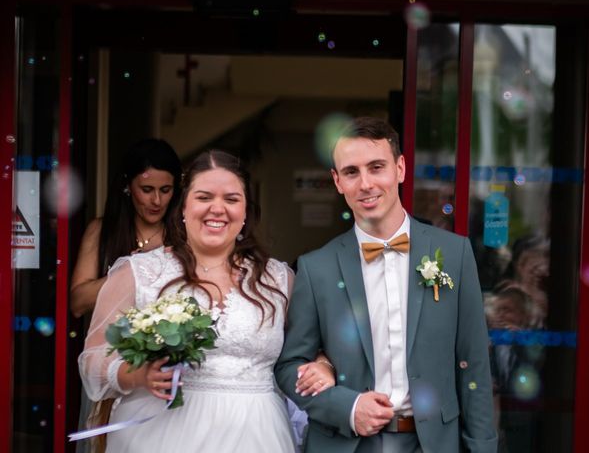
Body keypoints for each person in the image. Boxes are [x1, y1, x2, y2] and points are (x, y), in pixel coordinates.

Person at [78, 149, 334, 452]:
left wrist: (323, 366)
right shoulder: (141, 272)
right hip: (161, 434)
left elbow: (309, 349)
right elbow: (93, 360)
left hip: (257, 433)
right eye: (204, 197)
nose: (218, 208)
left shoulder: (277, 279)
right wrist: (140, 375)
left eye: (231, 199)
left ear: (246, 211)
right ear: (183, 207)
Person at [276, 117, 498, 452]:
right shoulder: (315, 267)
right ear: (337, 181)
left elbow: (474, 363)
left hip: (432, 444)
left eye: (376, 167)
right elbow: (289, 367)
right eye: (351, 172)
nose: (365, 183)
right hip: (346, 443)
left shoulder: (454, 254)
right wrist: (347, 408)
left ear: (400, 169)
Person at [70, 138, 183, 318]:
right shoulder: (101, 230)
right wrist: (135, 270)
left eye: (165, 190)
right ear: (128, 186)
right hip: (111, 344)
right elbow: (78, 303)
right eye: (146, 190)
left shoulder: (184, 234)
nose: (157, 201)